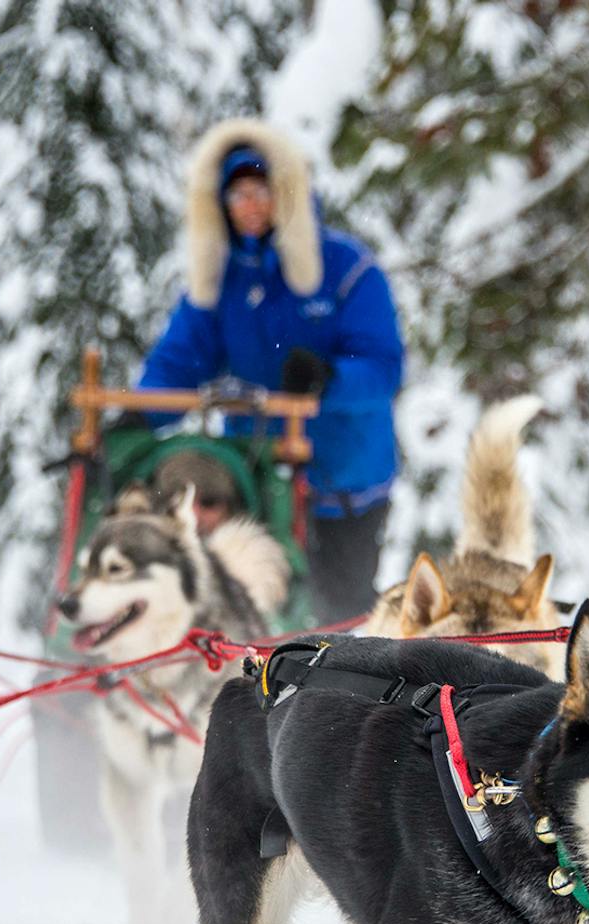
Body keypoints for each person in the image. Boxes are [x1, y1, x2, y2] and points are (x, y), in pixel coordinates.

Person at [137, 118, 405, 624]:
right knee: (257, 603)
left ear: (283, 192)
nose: (250, 207)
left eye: (260, 192)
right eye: (236, 197)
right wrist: (141, 415)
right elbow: (180, 360)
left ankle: (346, 695)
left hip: (344, 480)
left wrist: (330, 378)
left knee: (339, 611)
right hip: (262, 473)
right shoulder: (221, 280)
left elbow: (383, 368)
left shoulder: (347, 268)